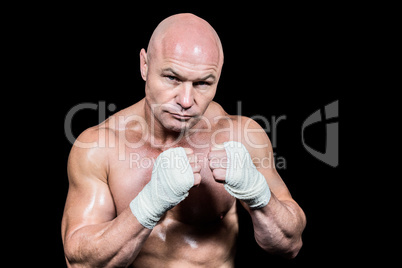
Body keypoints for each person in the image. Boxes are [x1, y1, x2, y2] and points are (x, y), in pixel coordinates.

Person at [61, 13, 306, 267]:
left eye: (202, 83)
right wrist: (150, 204)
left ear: (218, 77)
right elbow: (79, 262)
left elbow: (291, 243)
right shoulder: (98, 147)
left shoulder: (240, 136)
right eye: (172, 78)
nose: (186, 101)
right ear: (145, 65)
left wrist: (257, 193)